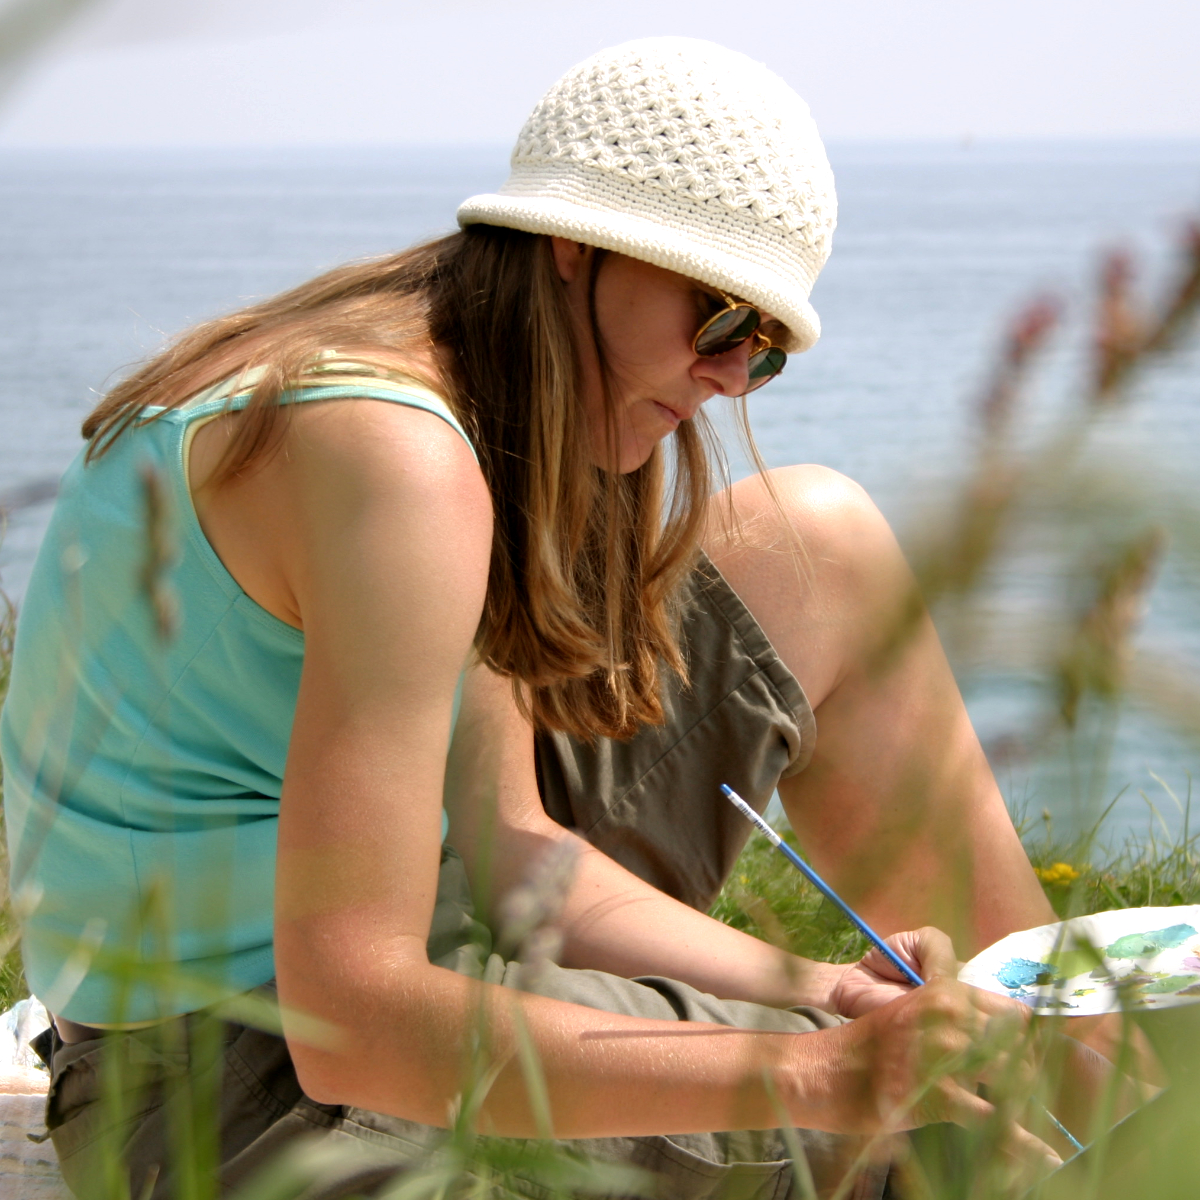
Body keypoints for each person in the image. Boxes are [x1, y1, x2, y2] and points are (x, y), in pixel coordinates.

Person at [1, 38, 1068, 1200]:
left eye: (763, 355)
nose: (726, 378)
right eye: (718, 319)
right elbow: (349, 1024)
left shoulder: (439, 390)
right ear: (574, 243)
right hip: (233, 1093)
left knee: (825, 544)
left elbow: (517, 851)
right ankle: (1077, 1137)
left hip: (382, 962)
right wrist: (816, 1078)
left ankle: (1072, 1083)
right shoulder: (396, 461)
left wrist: (827, 997)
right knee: (905, 1142)